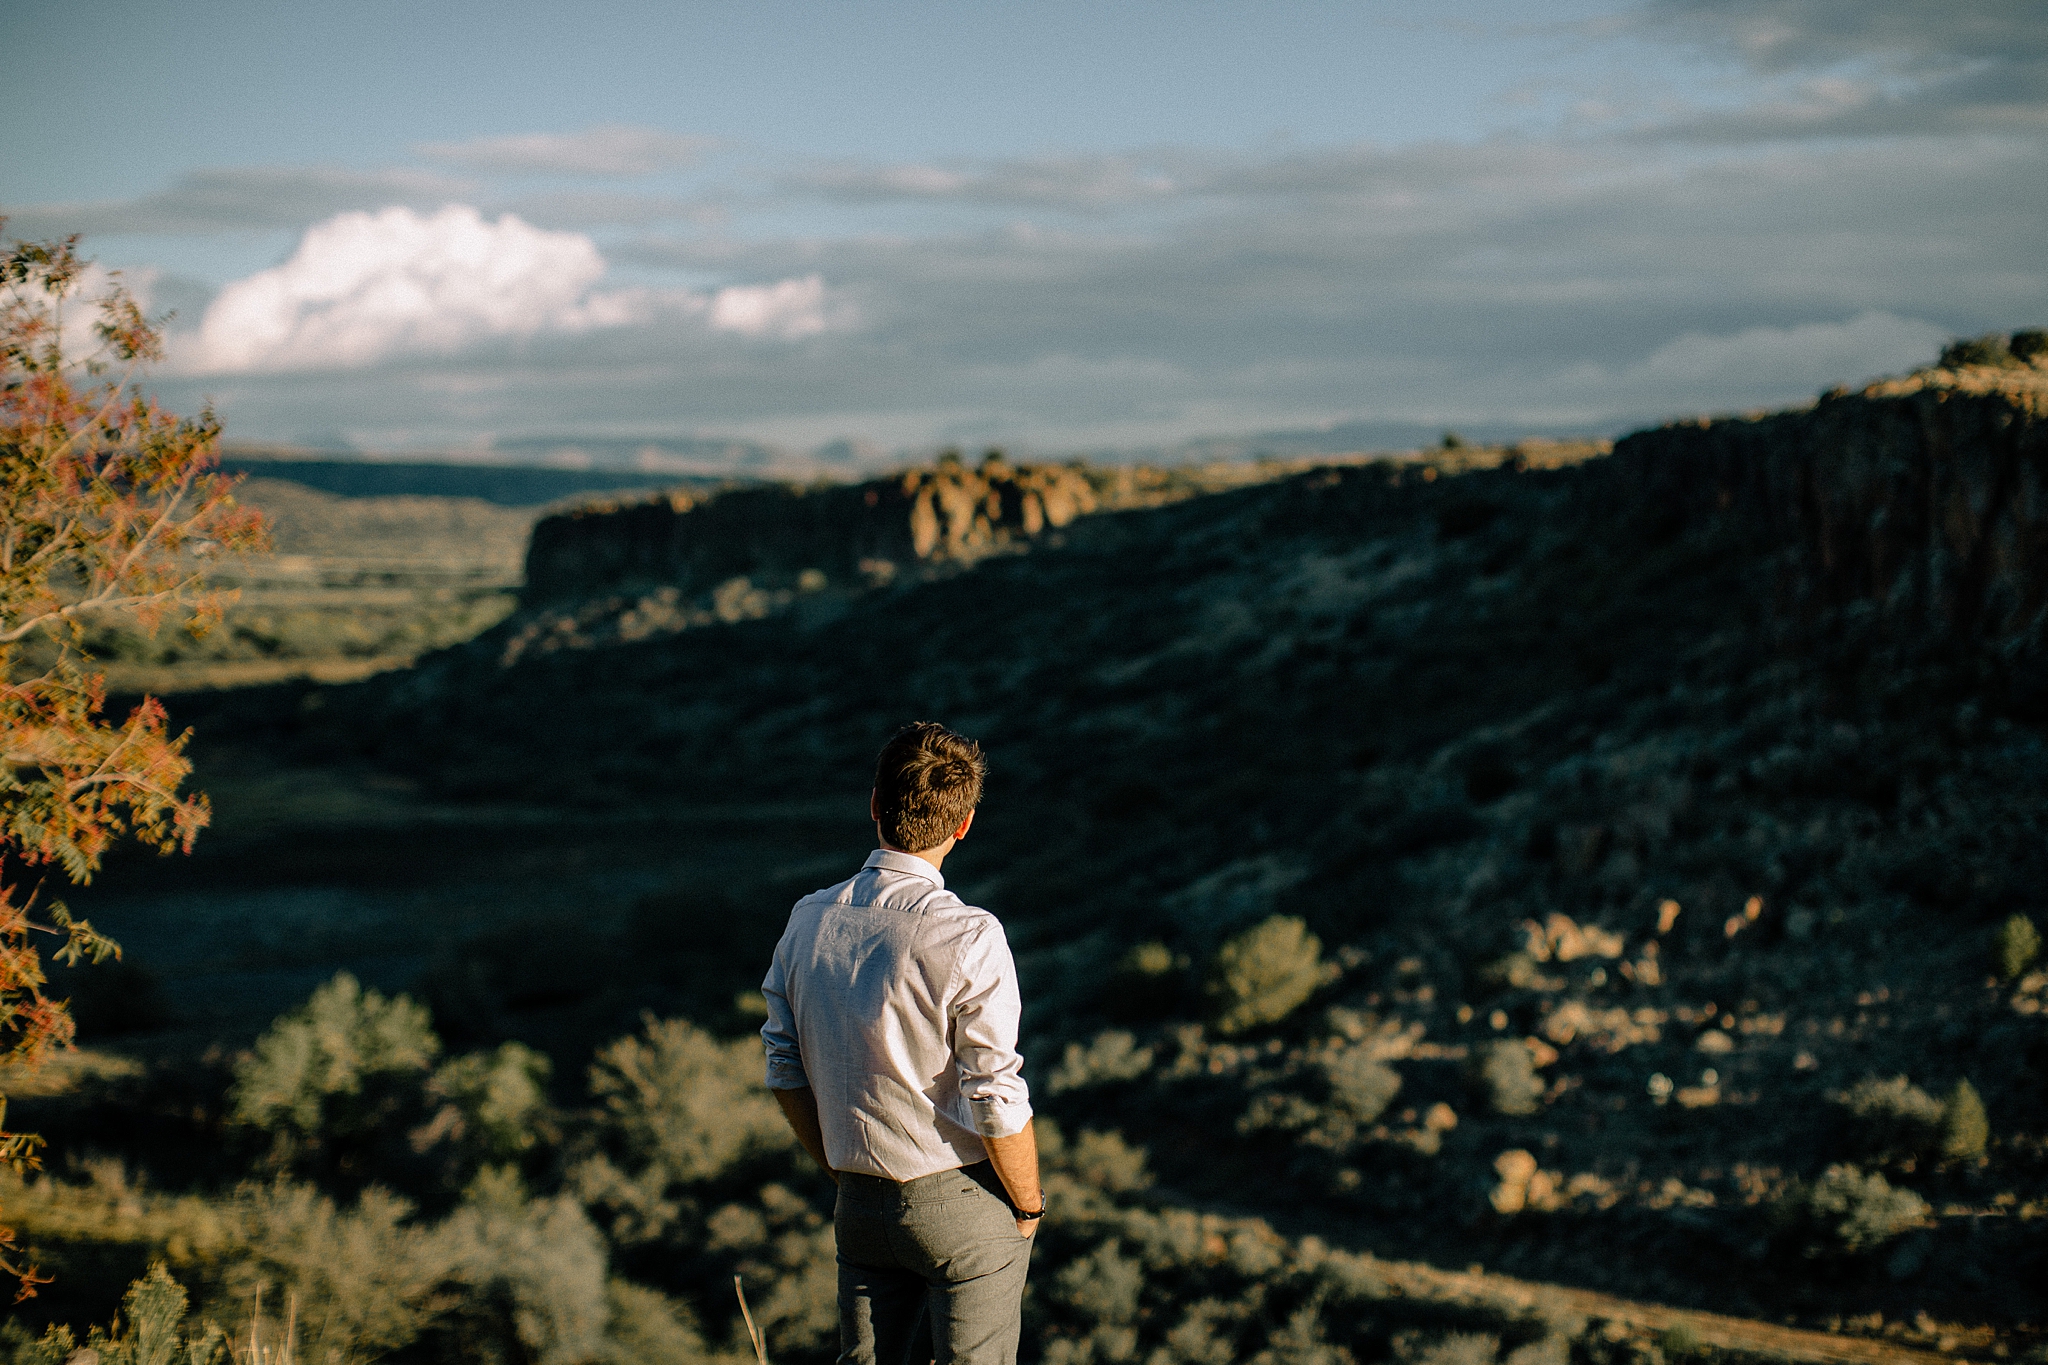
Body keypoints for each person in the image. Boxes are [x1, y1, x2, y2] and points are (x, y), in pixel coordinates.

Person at [761, 721, 1043, 1365]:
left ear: (874, 805)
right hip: (962, 1200)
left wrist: (843, 1173)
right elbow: (996, 1092)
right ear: (964, 822)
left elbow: (783, 1066)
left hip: (859, 1202)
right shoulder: (969, 934)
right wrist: (1028, 1204)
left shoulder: (808, 919)